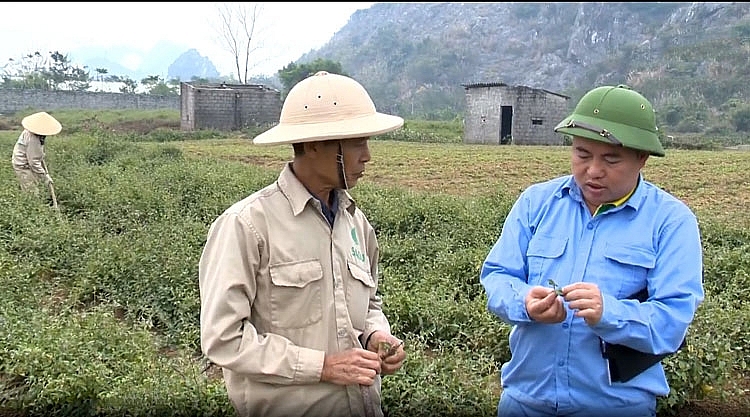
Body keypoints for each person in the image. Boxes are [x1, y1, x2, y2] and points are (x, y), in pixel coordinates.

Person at [480, 84, 704, 417]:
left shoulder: (671, 222)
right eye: (582, 154)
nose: (593, 170)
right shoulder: (536, 203)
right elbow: (498, 276)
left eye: (611, 159)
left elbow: (672, 321)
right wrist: (524, 301)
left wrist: (609, 313)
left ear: (641, 158)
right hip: (525, 401)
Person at [198, 71, 407, 417]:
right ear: (313, 144)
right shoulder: (247, 226)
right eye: (357, 142)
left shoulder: (356, 223)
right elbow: (224, 338)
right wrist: (321, 367)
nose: (367, 156)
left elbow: (370, 302)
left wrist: (374, 334)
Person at [11, 111, 62, 195]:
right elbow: (33, 162)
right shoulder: (33, 139)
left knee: (34, 185)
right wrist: (45, 177)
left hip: (25, 162)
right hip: (23, 165)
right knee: (32, 192)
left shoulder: (31, 132)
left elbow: (36, 155)